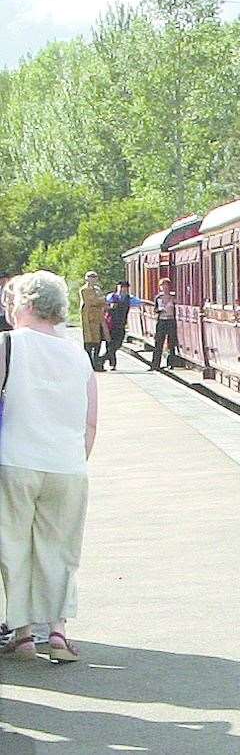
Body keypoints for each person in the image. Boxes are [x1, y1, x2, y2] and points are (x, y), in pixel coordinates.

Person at [0, 271, 98, 664]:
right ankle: (57, 630)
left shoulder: (7, 345)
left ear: (24, 304)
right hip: (67, 465)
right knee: (60, 550)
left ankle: (22, 633)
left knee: (14, 546)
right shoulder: (79, 353)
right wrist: (74, 458)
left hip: (14, 461)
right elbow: (90, 422)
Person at [102, 281, 137, 372]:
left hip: (121, 325)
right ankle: (112, 364)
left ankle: (101, 359)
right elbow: (104, 305)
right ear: (117, 287)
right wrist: (109, 306)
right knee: (109, 345)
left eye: (125, 288)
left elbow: (139, 302)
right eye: (121, 287)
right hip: (111, 324)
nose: (123, 289)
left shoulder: (129, 298)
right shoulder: (111, 296)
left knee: (118, 344)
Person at [77, 274, 105, 370]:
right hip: (88, 317)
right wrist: (100, 300)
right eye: (90, 277)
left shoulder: (97, 289)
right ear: (86, 278)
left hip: (97, 317)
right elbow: (91, 301)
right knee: (88, 340)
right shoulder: (84, 290)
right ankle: (88, 363)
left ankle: (96, 362)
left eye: (94, 277)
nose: (92, 279)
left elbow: (102, 301)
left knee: (98, 340)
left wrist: (100, 300)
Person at [149, 279, 177, 371]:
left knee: (171, 343)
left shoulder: (173, 297)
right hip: (161, 321)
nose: (164, 288)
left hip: (171, 320)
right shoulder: (158, 298)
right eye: (162, 286)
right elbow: (155, 309)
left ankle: (171, 363)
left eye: (166, 286)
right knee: (158, 343)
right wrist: (159, 310)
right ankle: (155, 364)